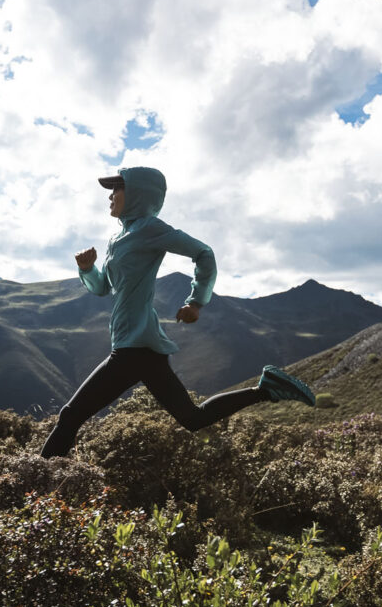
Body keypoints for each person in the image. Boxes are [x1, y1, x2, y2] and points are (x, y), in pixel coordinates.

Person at [40, 166, 316, 458]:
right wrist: (87, 269)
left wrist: (196, 302)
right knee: (192, 418)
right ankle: (266, 389)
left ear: (138, 194)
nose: (110, 196)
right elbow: (103, 288)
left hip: (134, 347)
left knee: (70, 416)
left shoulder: (150, 228)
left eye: (117, 189)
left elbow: (203, 253)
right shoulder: (117, 239)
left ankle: (35, 478)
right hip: (139, 347)